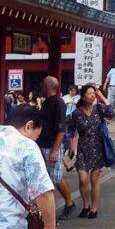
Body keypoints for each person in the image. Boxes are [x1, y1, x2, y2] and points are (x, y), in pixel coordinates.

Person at [66, 84, 115, 218]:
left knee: (94, 180)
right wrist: (71, 148)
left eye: (93, 93)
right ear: (83, 96)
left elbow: (112, 113)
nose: (92, 95)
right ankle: (85, 205)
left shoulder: (99, 109)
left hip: (97, 148)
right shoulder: (76, 113)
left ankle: (94, 208)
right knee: (82, 179)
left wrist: (102, 97)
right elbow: (70, 130)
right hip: (82, 148)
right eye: (89, 93)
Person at [35, 75, 77, 219]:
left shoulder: (58, 103)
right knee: (48, 178)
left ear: (46, 86)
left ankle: (69, 203)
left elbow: (61, 128)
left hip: (52, 145)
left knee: (56, 177)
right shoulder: (47, 102)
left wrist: (55, 149)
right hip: (43, 143)